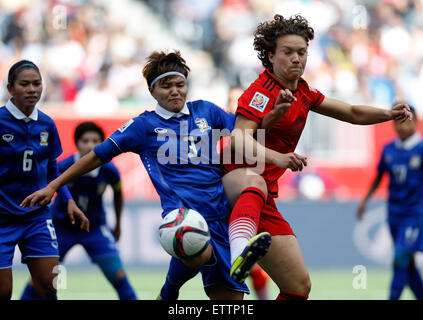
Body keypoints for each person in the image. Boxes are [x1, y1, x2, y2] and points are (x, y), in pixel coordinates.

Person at [20, 51, 271, 300]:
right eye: (166, 85)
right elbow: (98, 155)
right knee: (197, 247)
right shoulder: (143, 126)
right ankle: (171, 288)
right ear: (152, 91)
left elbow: (245, 133)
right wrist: (54, 185)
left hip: (220, 215)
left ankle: (169, 291)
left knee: (230, 303)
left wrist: (275, 116)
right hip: (181, 217)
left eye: (180, 84)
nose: (174, 91)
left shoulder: (207, 111)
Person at [223, 14, 413, 300]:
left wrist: (388, 113)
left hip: (263, 198)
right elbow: (238, 138)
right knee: (228, 294)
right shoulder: (260, 91)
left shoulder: (304, 92)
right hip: (235, 188)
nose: (297, 59)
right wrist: (279, 157)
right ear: (271, 55)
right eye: (287, 52)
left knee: (298, 287)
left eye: (302, 52)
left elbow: (351, 112)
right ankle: (238, 246)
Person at [0, 60, 89, 300]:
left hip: (36, 216)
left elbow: (52, 168)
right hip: (2, 218)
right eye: (24, 84)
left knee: (48, 288)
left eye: (37, 84)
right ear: (10, 89)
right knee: (3, 291)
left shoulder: (46, 124)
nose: (32, 89)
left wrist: (68, 198)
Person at [21, 121, 137, 300]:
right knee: (41, 281)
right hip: (61, 228)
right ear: (76, 143)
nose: (91, 145)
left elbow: (118, 194)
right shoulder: (63, 167)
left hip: (95, 228)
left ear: (102, 143)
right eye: (85, 140)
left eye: (96, 141)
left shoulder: (110, 171)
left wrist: (118, 225)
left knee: (119, 277)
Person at [357, 104, 423, 300]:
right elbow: (379, 177)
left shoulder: (421, 150)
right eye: (398, 120)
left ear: (416, 122)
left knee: (400, 258)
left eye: (407, 120)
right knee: (407, 264)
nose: (402, 125)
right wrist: (365, 201)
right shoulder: (388, 150)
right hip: (394, 213)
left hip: (415, 215)